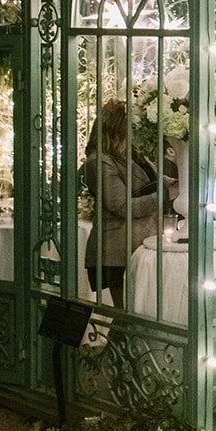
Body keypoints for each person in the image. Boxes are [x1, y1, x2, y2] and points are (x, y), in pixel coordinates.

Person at [80, 100, 174, 309]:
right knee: (127, 314)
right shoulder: (99, 161)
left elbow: (155, 181)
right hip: (117, 248)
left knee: (140, 310)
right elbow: (122, 206)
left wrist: (180, 181)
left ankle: (119, 342)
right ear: (117, 127)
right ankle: (115, 342)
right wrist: (167, 195)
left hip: (141, 243)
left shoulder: (132, 154)